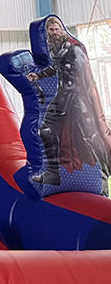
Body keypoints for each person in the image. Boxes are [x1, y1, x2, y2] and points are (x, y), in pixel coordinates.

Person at [27, 16, 111, 186]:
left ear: (62, 30)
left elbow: (83, 74)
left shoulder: (75, 48)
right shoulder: (56, 50)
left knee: (89, 134)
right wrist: (38, 75)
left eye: (56, 29)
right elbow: (56, 68)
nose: (54, 32)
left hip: (78, 97)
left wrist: (88, 100)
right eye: (51, 30)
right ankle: (53, 173)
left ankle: (104, 172)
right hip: (63, 96)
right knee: (46, 130)